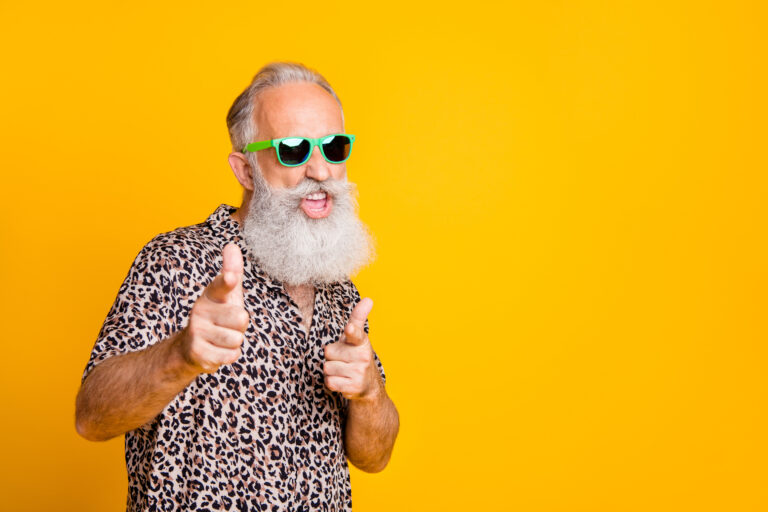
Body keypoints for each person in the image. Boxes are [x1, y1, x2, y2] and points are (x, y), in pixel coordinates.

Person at [75, 62, 399, 512]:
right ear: (245, 170)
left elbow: (374, 457)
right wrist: (180, 355)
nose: (322, 171)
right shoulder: (175, 261)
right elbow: (92, 417)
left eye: (334, 147)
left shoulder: (341, 291)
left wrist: (369, 393)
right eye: (292, 149)